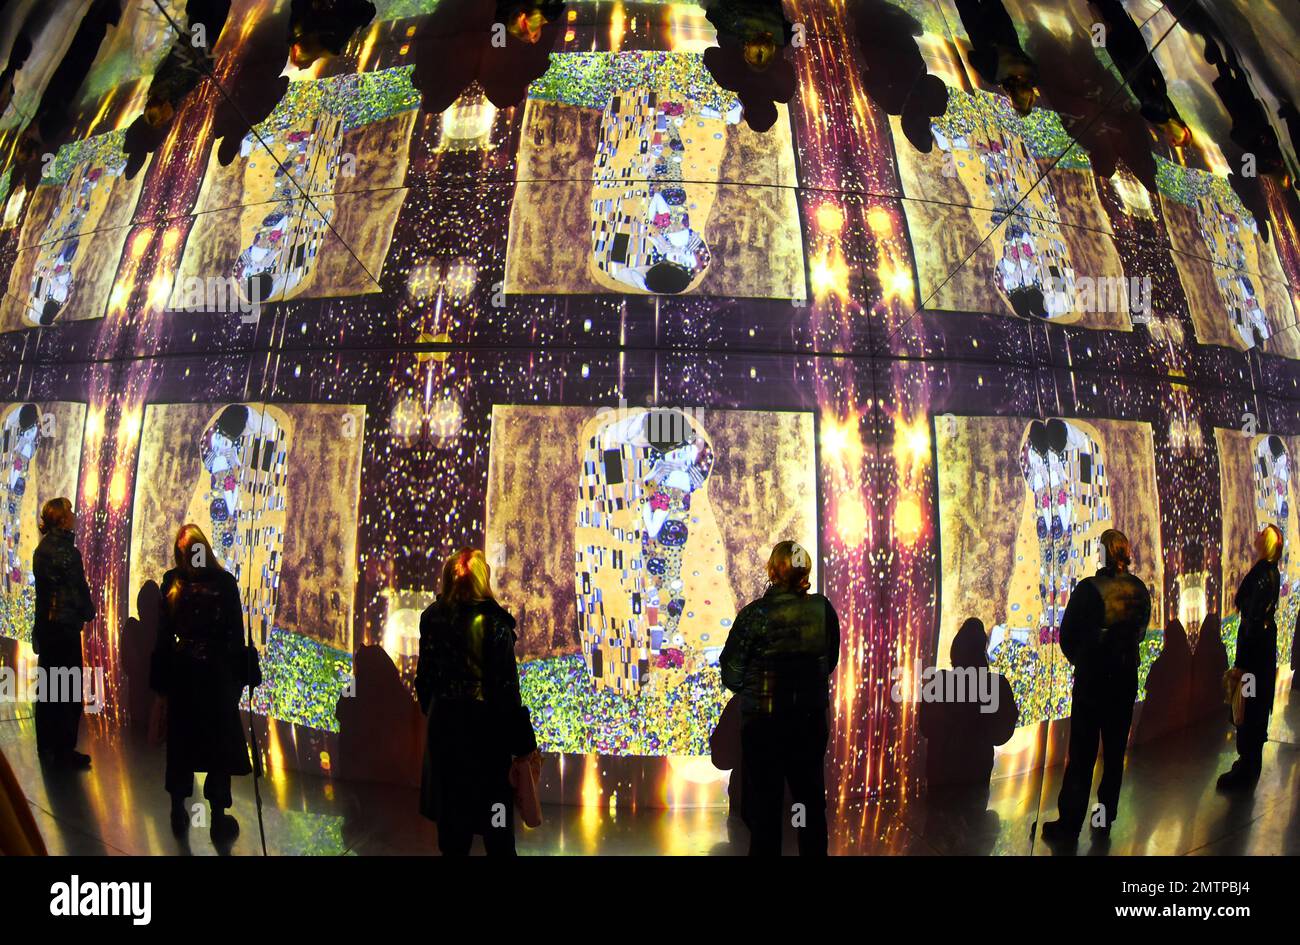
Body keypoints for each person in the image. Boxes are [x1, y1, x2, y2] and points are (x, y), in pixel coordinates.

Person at [720, 540, 840, 855]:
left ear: (773, 570)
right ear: (805, 570)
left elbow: (731, 674)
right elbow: (829, 662)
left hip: (763, 727)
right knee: (810, 807)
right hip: (809, 722)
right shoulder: (822, 610)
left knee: (765, 812)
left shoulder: (754, 615)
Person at [416, 549, 536, 856]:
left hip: (445, 737)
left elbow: (424, 683)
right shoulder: (495, 624)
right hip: (487, 743)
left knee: (453, 837)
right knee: (498, 833)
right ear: (484, 579)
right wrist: (524, 748)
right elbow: (507, 692)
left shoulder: (432, 618)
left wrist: (440, 713)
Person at [1041, 529, 1151, 846]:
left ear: (1104, 553)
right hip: (1125, 679)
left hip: (1093, 682)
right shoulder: (1140, 589)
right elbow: (1140, 634)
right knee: (1115, 753)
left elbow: (1067, 637)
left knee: (1083, 755)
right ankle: (1103, 818)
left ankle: (1070, 825)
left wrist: (1085, 660)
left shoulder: (1090, 589)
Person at [149, 525, 252, 840]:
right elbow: (235, 634)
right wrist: (240, 674)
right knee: (217, 749)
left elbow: (164, 638)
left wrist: (162, 682)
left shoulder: (171, 582)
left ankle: (178, 810)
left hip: (183, 676)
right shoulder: (224, 583)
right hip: (216, 678)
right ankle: (218, 819)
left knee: (181, 747)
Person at [1217, 525, 1282, 791]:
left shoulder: (1260, 575)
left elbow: (1251, 612)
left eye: (1260, 534)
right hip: (1261, 654)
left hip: (1253, 655)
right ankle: (1249, 762)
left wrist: (1243, 664)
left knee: (1249, 703)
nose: (1254, 535)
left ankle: (1247, 764)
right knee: (1254, 703)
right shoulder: (1271, 572)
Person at [32, 497, 95, 769]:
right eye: (69, 511)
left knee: (47, 691)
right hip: (65, 631)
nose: (74, 514)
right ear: (62, 519)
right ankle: (64, 750)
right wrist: (88, 612)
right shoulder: (69, 552)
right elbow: (78, 592)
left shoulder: (41, 549)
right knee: (68, 693)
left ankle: (46, 745)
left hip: (47, 630)